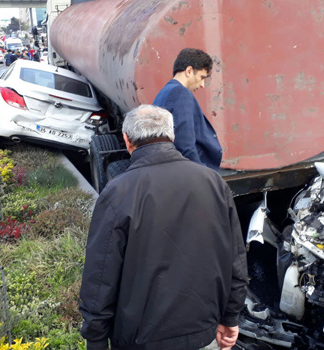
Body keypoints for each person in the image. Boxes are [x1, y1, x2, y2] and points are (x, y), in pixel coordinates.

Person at [79, 105, 248, 350]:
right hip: (203, 334)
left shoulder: (118, 192)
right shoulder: (213, 183)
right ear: (172, 137)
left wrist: (95, 338)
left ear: (127, 141)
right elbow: (235, 258)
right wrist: (231, 316)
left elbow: (101, 274)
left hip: (140, 341)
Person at [153, 48, 222, 171]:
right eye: (202, 77)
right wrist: (202, 175)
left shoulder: (165, 92)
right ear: (189, 71)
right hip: (189, 173)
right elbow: (185, 146)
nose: (202, 85)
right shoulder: (181, 93)